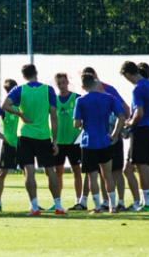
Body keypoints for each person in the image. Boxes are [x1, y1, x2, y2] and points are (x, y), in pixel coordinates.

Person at [2, 64, 64, 216]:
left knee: (29, 172)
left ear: (23, 76)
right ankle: (58, 206)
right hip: (43, 136)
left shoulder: (20, 89)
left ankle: (35, 207)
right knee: (50, 171)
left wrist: (20, 114)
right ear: (36, 73)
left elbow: (4, 105)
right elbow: (54, 118)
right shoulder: (48, 89)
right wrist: (55, 141)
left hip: (26, 135)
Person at [81, 66, 132, 212]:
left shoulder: (109, 91)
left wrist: (118, 132)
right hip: (106, 139)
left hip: (105, 139)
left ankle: (118, 202)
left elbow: (125, 109)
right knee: (105, 173)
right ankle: (107, 203)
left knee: (113, 172)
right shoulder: (90, 97)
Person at [120, 61, 149, 212]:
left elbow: (138, 113)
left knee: (142, 167)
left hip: (140, 130)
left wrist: (130, 124)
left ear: (128, 74)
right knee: (147, 165)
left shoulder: (138, 88)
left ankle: (147, 202)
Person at [52, 73, 83, 212]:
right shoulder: (53, 100)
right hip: (59, 142)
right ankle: (57, 201)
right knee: (58, 172)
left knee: (76, 170)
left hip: (74, 141)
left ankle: (78, 201)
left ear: (68, 82)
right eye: (59, 83)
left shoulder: (76, 98)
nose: (62, 85)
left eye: (64, 82)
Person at [0, 79, 20, 212]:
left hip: (23, 142)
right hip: (9, 143)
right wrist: (0, 135)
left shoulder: (23, 104)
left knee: (28, 173)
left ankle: (33, 203)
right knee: (1, 173)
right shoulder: (2, 106)